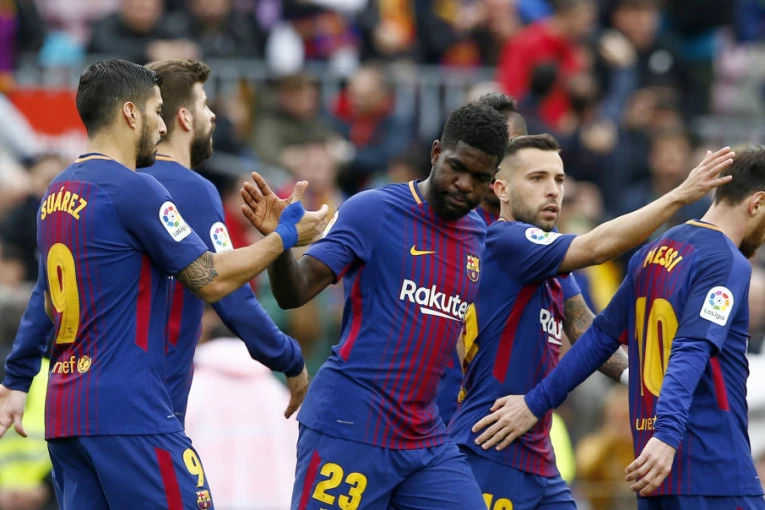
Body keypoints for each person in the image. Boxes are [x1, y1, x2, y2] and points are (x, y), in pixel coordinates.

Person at [0, 58, 327, 509]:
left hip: (66, 414)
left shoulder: (55, 193)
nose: (161, 125)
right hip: (133, 410)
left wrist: (17, 380)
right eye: (156, 112)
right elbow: (212, 280)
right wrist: (285, 236)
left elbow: (44, 297)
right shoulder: (138, 189)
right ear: (130, 113)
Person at [240, 102, 510, 509]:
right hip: (351, 423)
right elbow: (293, 293)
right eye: (457, 167)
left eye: (480, 177)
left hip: (424, 437)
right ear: (436, 153)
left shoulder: (478, 234)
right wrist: (280, 241)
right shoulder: (373, 210)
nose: (464, 184)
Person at [447, 134, 734, 509]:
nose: (552, 190)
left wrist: (638, 379)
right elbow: (596, 247)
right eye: (537, 178)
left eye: (559, 179)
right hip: (491, 442)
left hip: (537, 454)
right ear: (501, 188)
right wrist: (680, 196)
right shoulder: (507, 240)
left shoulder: (548, 259)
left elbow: (585, 329)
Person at [437, 91, 527, 427]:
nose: (499, 160)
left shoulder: (538, 234)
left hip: (500, 419)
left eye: (511, 148)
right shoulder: (435, 219)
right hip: (435, 411)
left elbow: (578, 319)